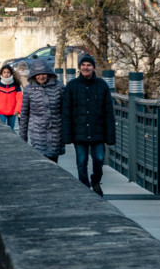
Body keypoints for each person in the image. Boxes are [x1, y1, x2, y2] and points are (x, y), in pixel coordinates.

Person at [60, 54, 116, 194]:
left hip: (98, 131)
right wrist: (66, 135)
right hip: (79, 131)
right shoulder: (72, 86)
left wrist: (110, 136)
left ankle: (96, 180)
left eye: (88, 65)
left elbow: (109, 111)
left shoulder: (102, 85)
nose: (86, 67)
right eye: (83, 65)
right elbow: (66, 111)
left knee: (99, 159)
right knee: (81, 161)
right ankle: (85, 188)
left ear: (93, 68)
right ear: (80, 68)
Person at [17, 62, 64, 161]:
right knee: (41, 159)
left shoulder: (59, 87)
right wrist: (23, 135)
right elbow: (24, 114)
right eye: (38, 74)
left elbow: (66, 110)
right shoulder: (29, 90)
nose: (41, 77)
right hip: (37, 131)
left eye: (44, 74)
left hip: (55, 131)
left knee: (53, 161)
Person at [0, 64, 22, 130]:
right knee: (2, 129)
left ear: (11, 73)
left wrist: (18, 110)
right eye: (4, 72)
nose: (6, 74)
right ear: (1, 73)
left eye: (8, 72)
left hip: (13, 112)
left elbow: (20, 98)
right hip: (1, 111)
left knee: (11, 130)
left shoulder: (15, 85)